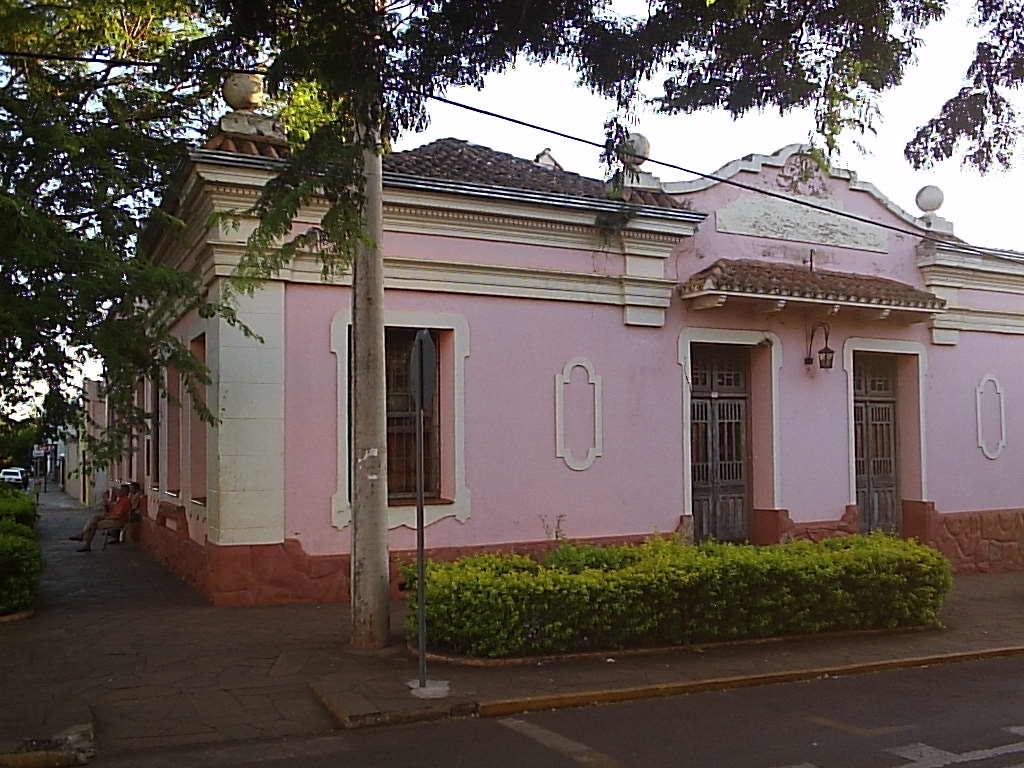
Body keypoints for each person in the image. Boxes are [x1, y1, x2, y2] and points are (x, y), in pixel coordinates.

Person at [69, 484, 131, 552]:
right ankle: (83, 536)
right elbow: (112, 510)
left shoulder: (125, 501)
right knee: (94, 518)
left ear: (125, 491)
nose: (118, 491)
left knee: (93, 525)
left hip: (117, 521)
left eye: (120, 490)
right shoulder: (120, 500)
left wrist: (107, 517)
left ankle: (86, 541)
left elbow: (118, 516)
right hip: (112, 518)